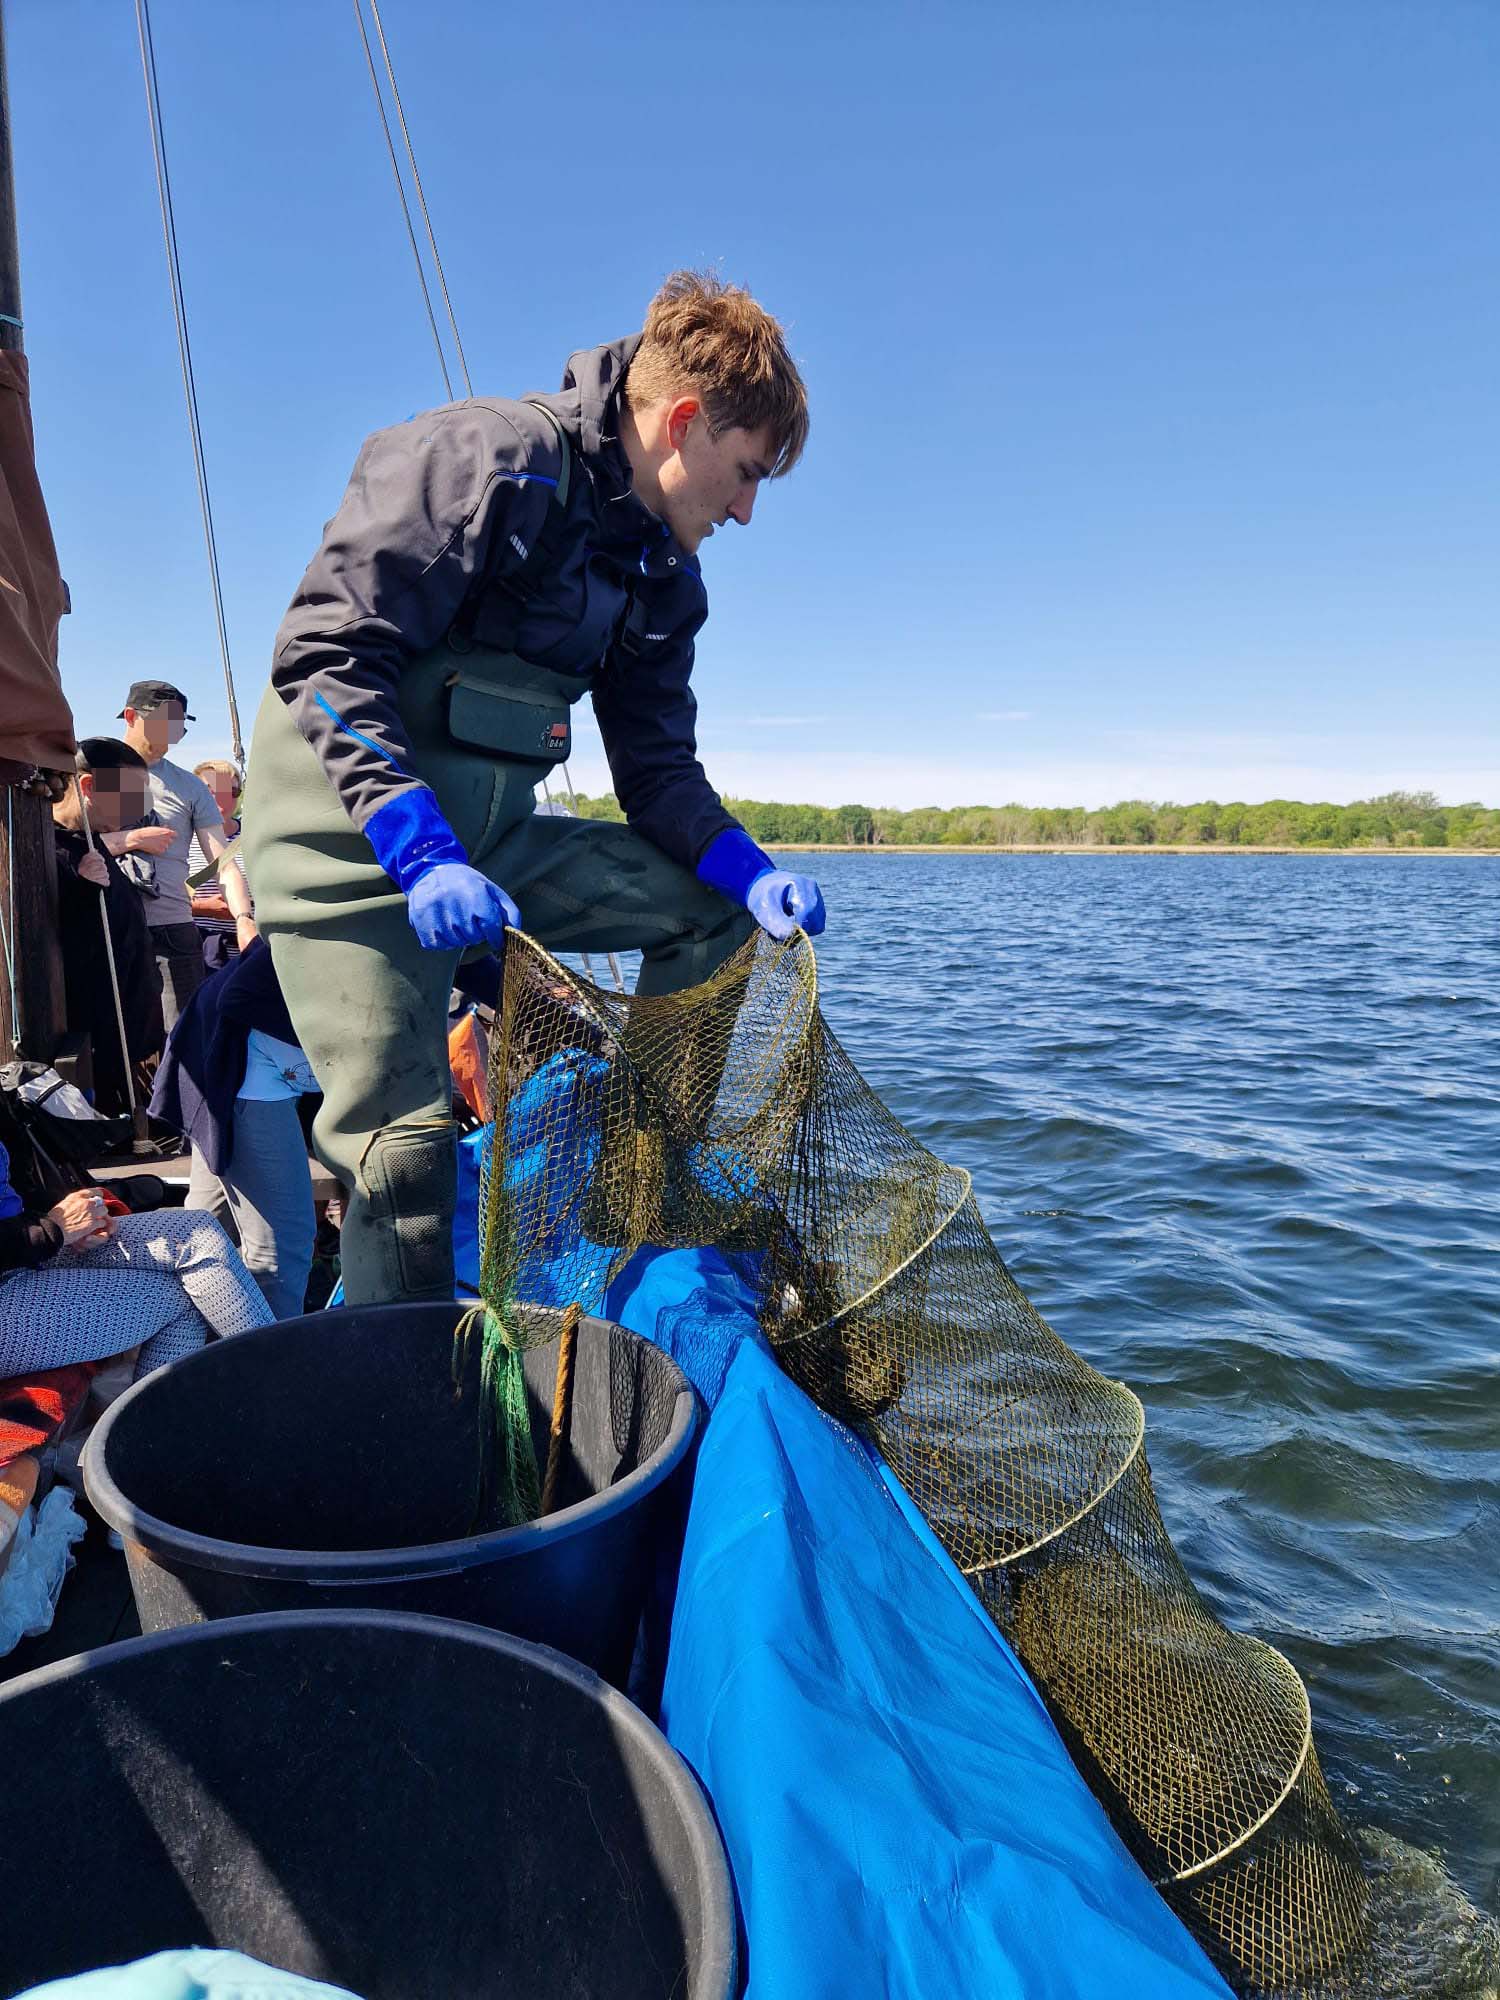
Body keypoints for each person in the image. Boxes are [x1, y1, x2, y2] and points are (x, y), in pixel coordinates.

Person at [244, 271, 826, 1305]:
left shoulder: (663, 578)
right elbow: (324, 656)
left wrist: (746, 868)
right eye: (744, 475)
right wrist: (419, 853)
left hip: (494, 851)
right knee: (405, 1155)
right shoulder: (488, 458)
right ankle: (405, 1394)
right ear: (683, 422)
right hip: (351, 849)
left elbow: (656, 773)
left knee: (708, 917)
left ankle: (636, 1209)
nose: (744, 510)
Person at [0, 1139, 273, 1381]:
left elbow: (18, 1189)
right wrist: (52, 1229)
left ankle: (289, 1378)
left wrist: (71, 1216)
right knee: (179, 1299)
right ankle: (291, 1390)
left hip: (21, 1251)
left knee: (198, 1234)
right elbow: (42, 1233)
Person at [149, 938, 320, 1322]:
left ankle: (188, 1340)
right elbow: (241, 996)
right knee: (280, 1248)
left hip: (250, 1059)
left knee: (202, 1225)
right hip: (239, 1065)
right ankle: (270, 1368)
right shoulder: (341, 919)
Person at [107, 680, 256, 1029]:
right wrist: (130, 839)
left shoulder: (189, 787)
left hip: (173, 930)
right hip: (108, 924)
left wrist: (244, 918)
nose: (174, 732)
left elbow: (222, 863)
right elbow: (65, 844)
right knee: (116, 1036)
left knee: (184, 1036)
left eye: (180, 724)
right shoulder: (91, 769)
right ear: (131, 716)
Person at [50, 738, 163, 1115]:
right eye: (131, 794)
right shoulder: (49, 850)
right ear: (87, 787)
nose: (140, 807)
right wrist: (81, 890)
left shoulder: (91, 844)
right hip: (91, 1049)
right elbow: (51, 947)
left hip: (128, 1032)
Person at [189, 757, 248, 972]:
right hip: (202, 951)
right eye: (209, 791)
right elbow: (162, 902)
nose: (219, 800)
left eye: (229, 792)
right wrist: (202, 908)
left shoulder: (257, 837)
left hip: (253, 946)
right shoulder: (179, 841)